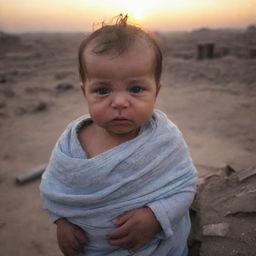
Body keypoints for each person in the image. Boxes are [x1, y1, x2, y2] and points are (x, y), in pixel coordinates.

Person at [40, 14, 197, 256]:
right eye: (102, 90)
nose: (120, 102)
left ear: (156, 92)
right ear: (85, 93)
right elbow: (54, 188)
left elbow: (184, 186)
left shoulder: (165, 140)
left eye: (136, 89)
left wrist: (156, 216)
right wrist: (61, 221)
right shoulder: (71, 144)